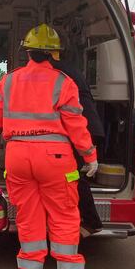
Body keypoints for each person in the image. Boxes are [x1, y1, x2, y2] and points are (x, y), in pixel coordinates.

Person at [0, 23, 97, 269]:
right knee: (64, 215)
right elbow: (76, 125)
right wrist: (89, 156)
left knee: (27, 216)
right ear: (54, 53)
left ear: (27, 52)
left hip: (17, 156)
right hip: (55, 158)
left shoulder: (8, 81)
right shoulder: (63, 82)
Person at [51, 51, 105, 234]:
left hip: (83, 128)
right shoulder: (69, 70)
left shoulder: (57, 73)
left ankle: (91, 221)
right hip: (88, 126)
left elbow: (71, 115)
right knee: (74, 174)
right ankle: (89, 220)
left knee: (73, 175)